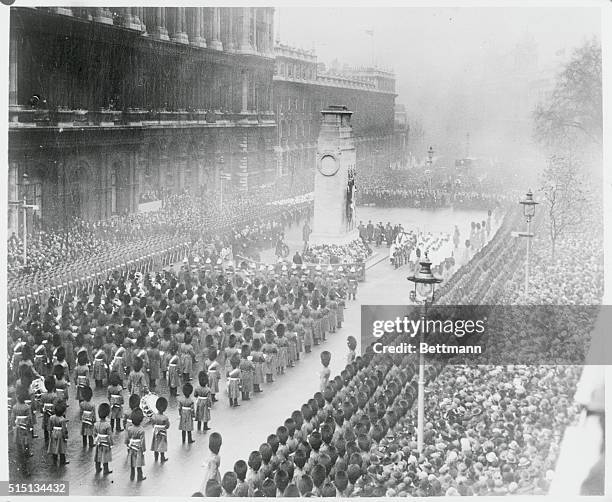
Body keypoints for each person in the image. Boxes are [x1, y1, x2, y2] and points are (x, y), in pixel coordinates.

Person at [12, 385, 34, 460]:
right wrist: (30, 426)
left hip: (17, 424)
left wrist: (13, 425)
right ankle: (27, 453)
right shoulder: (27, 407)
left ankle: (20, 453)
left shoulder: (14, 407)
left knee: (18, 439)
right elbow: (30, 417)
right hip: (25, 425)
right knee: (26, 439)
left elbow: (12, 417)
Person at [125, 408, 147, 481]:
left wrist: (128, 445)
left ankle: (132, 476)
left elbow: (127, 439)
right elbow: (142, 441)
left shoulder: (129, 428)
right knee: (139, 463)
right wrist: (144, 449)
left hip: (131, 447)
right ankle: (139, 476)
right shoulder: (141, 430)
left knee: (132, 461)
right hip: (138, 448)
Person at [47, 399, 69, 466]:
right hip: (60, 434)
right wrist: (65, 436)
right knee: (62, 448)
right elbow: (64, 430)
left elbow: (49, 427)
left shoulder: (51, 417)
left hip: (53, 432)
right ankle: (63, 461)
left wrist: (50, 434)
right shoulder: (63, 419)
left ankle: (55, 460)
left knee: (54, 447)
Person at [93, 402, 113, 475]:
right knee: (105, 456)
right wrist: (111, 443)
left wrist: (97, 440)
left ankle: (97, 468)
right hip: (106, 442)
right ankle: (106, 470)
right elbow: (110, 435)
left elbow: (94, 434)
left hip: (99, 442)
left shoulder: (96, 424)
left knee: (98, 455)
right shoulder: (107, 425)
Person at [151, 396, 170, 462]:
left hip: (156, 431)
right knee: (162, 444)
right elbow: (167, 426)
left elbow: (152, 424)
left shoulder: (154, 416)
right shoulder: (165, 417)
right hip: (163, 432)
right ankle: (162, 458)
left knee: (155, 444)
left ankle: (156, 458)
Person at [39, 375, 57, 442]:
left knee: (45, 426)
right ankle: (52, 439)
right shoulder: (54, 396)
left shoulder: (43, 395)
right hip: (52, 414)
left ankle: (46, 439)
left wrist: (42, 411)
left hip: (45, 413)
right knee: (52, 426)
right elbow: (55, 406)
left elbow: (41, 405)